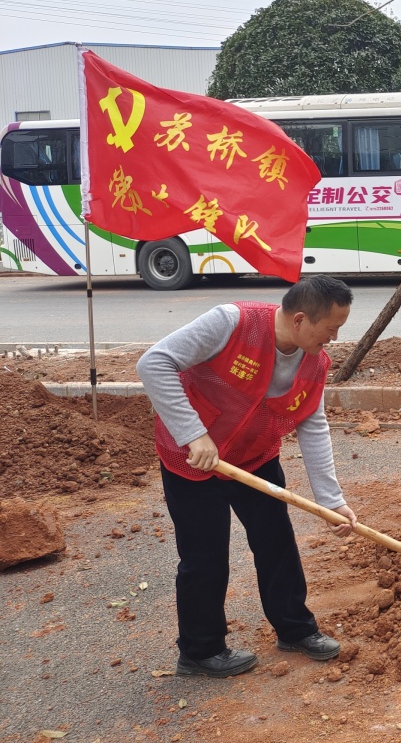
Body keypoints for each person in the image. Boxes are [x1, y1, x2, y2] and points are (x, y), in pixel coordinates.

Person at [137, 275, 358, 678]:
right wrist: (193, 434)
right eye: (331, 328)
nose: (335, 337)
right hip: (194, 462)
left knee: (277, 543)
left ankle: (295, 629)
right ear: (301, 320)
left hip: (255, 458)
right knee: (204, 557)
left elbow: (313, 423)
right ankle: (200, 651)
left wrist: (330, 501)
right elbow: (154, 362)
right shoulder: (232, 323)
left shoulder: (315, 361)